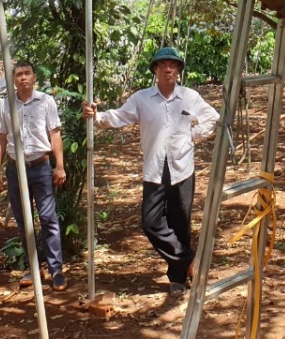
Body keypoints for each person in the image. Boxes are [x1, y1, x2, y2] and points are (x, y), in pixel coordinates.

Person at [82, 47, 220, 296]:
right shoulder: (142, 99)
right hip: (154, 169)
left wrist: (193, 136)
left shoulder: (189, 96)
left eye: (173, 65)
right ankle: (189, 259)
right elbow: (118, 117)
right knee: (150, 222)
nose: (168, 69)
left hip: (182, 168)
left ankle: (177, 279)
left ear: (179, 70)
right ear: (155, 70)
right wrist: (96, 116)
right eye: (162, 65)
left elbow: (212, 116)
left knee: (181, 222)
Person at [0, 61, 67, 292]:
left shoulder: (46, 101)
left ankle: (56, 269)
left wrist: (60, 166)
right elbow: (1, 138)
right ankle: (34, 268)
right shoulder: (7, 105)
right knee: (24, 221)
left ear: (34, 78)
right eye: (18, 74)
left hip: (41, 167)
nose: (23, 78)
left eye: (27, 74)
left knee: (48, 218)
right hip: (16, 170)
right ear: (13, 80)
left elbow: (55, 134)